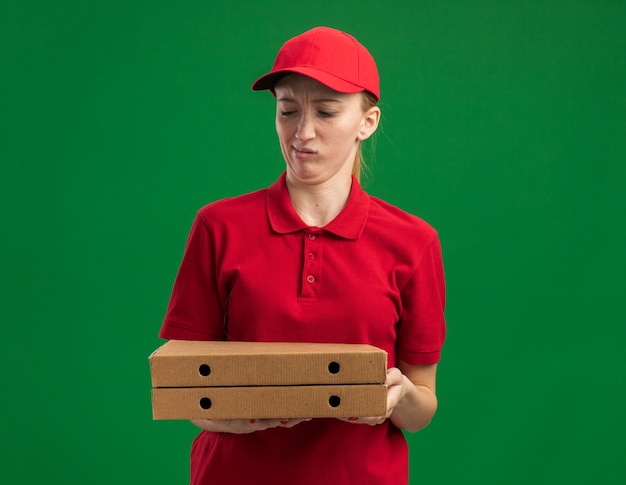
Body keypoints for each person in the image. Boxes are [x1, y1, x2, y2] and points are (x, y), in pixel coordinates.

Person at [159, 26, 446, 485]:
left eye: (327, 112)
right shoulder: (219, 226)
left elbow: (422, 406)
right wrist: (234, 416)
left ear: (367, 122)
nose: (303, 132)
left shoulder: (413, 241)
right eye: (287, 110)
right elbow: (190, 392)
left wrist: (399, 397)